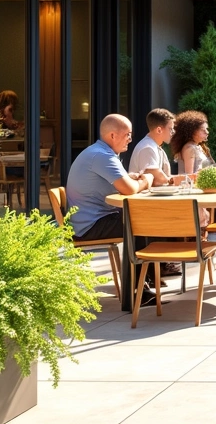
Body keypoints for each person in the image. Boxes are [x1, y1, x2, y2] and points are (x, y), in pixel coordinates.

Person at [67, 114, 159, 305]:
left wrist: (131, 177)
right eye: (127, 135)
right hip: (89, 226)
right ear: (112, 136)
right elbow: (129, 189)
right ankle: (136, 290)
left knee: (140, 219)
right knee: (140, 224)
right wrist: (147, 179)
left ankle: (143, 282)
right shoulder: (102, 156)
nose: (130, 139)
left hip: (89, 220)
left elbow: (122, 181)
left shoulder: (99, 152)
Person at [128, 108, 178, 186]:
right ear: (159, 130)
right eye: (170, 129)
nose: (173, 132)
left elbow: (168, 177)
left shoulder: (156, 147)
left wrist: (190, 177)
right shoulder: (148, 148)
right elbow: (158, 180)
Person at [172, 110, 215, 176]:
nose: (207, 132)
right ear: (192, 131)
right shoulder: (189, 148)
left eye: (207, 129)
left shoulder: (198, 146)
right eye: (203, 130)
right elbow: (189, 175)